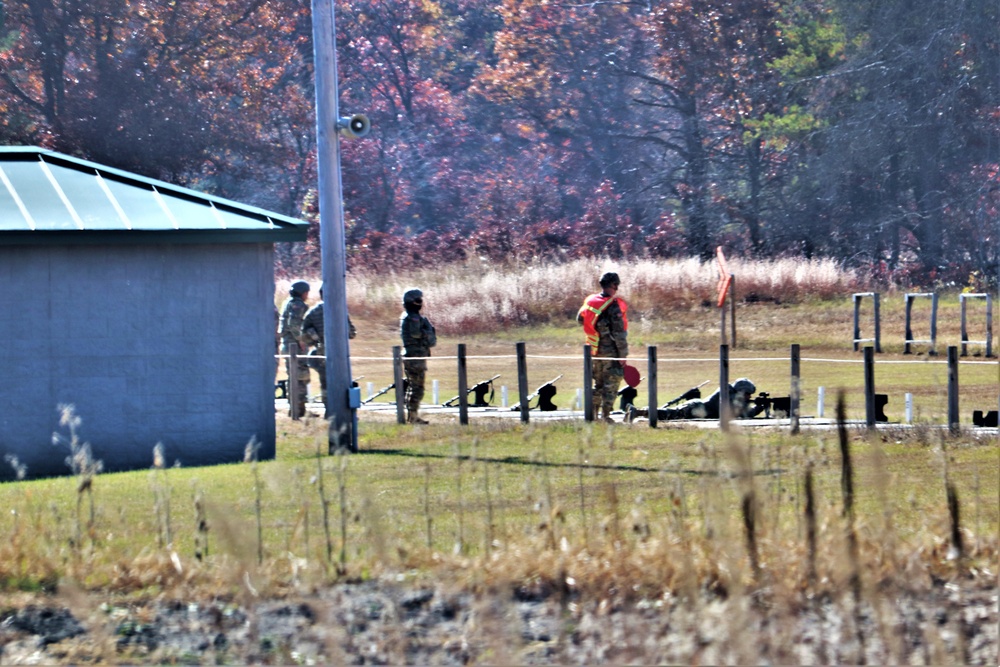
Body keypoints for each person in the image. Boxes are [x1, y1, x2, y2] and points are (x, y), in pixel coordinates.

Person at [577, 272, 628, 423]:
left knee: (597, 383)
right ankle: (606, 416)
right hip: (610, 350)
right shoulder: (613, 305)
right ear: (614, 285)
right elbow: (619, 333)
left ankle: (592, 415)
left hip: (593, 348)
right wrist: (623, 355)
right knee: (611, 382)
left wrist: (597, 330)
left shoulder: (591, 301)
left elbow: (580, 319)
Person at [301, 284, 357, 407]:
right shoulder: (340, 310)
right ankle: (342, 409)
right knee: (342, 382)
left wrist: (315, 340)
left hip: (322, 353)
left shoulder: (313, 312)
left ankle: (329, 409)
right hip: (341, 353)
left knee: (326, 382)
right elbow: (352, 333)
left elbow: (303, 335)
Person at [626, 378, 763, 422]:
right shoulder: (728, 394)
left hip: (697, 409)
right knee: (668, 415)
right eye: (747, 394)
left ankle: (638, 412)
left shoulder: (730, 394)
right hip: (694, 408)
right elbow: (738, 413)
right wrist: (756, 409)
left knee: (668, 415)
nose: (748, 398)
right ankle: (637, 412)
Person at [400, 288, 436, 424]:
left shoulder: (408, 316)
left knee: (414, 387)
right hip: (415, 356)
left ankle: (412, 416)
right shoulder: (413, 317)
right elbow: (416, 334)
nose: (421, 303)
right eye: (418, 300)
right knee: (417, 388)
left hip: (414, 356)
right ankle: (413, 417)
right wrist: (428, 334)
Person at [278, 280, 311, 417]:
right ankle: (299, 410)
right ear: (303, 292)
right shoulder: (298, 305)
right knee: (300, 377)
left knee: (293, 376)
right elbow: (294, 324)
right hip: (295, 347)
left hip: (287, 344)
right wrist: (301, 340)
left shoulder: (288, 303)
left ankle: (294, 408)